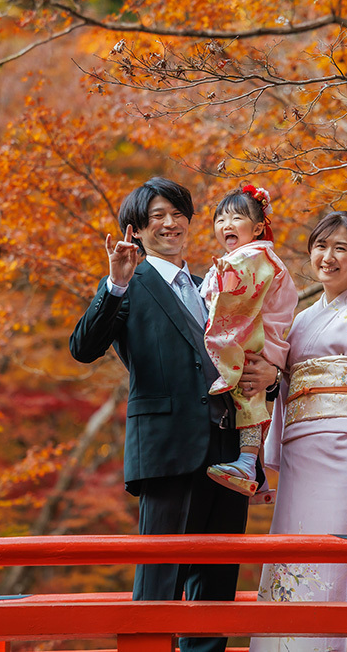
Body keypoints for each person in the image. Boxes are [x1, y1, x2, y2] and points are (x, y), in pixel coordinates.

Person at [68, 177, 277, 652]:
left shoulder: (216, 287)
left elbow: (251, 356)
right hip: (166, 451)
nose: (169, 223)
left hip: (229, 453)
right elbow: (83, 348)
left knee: (216, 588)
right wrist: (115, 282)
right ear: (136, 230)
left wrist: (271, 377)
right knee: (160, 582)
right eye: (156, 216)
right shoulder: (130, 285)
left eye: (177, 213)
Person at [249, 211, 347, 652]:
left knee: (340, 546)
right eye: (321, 246)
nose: (329, 257)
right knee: (294, 544)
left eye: (341, 248)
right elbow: (279, 382)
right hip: (301, 448)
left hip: (346, 445)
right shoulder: (299, 320)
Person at [200, 184, 297, 497]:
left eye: (236, 218)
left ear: (257, 228)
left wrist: (224, 281)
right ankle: (254, 468)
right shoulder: (247, 257)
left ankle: (247, 463)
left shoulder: (256, 256)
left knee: (249, 391)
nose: (227, 225)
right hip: (255, 333)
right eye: (220, 220)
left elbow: (240, 294)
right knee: (250, 394)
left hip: (259, 336)